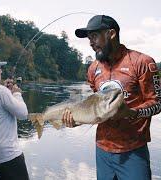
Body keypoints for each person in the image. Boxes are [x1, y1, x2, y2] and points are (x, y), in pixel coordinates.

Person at [62, 15, 161, 180]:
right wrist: (76, 120)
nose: (91, 43)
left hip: (133, 151)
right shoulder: (93, 69)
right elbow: (94, 108)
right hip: (102, 151)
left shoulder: (142, 62)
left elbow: (157, 104)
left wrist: (130, 112)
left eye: (94, 36)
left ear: (111, 34)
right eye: (89, 38)